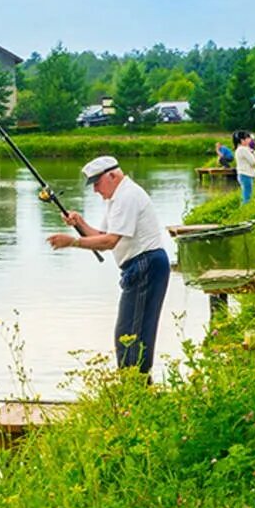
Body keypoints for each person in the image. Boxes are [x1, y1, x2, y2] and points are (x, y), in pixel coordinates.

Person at [48, 156, 171, 376]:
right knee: (128, 333)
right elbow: (102, 236)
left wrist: (72, 242)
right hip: (141, 265)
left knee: (132, 334)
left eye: (96, 183)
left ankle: (135, 391)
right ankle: (137, 388)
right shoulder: (116, 198)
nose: (95, 190)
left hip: (146, 264)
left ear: (112, 175)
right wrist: (80, 223)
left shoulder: (127, 196)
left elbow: (109, 242)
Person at [233, 131, 255, 204]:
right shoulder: (243, 149)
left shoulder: (241, 149)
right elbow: (254, 163)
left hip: (243, 174)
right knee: (247, 197)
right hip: (246, 175)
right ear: (242, 140)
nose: (250, 139)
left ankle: (243, 211)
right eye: (248, 138)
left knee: (245, 195)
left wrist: (252, 151)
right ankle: (244, 212)